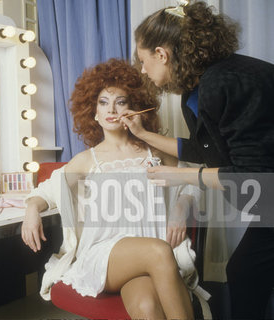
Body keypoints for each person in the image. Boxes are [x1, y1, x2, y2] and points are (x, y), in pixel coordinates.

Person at [127, 1, 274, 318]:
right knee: (244, 271)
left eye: (143, 60)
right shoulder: (195, 89)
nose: (143, 70)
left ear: (162, 54)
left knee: (245, 272)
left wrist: (181, 177)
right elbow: (205, 149)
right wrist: (142, 134)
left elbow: (255, 177)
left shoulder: (226, 82)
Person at [22, 59, 200, 319]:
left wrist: (181, 207)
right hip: (104, 254)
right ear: (93, 111)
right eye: (103, 102)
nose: (111, 109)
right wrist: (31, 211)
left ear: (134, 109)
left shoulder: (155, 152)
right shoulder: (86, 160)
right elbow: (46, 190)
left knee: (147, 307)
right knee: (159, 251)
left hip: (147, 258)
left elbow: (195, 176)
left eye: (121, 101)